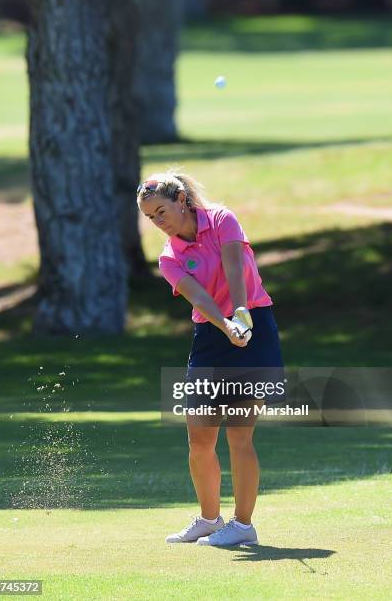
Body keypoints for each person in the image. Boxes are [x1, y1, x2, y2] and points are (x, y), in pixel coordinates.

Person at [136, 169, 284, 546]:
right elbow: (199, 298)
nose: (158, 222)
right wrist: (225, 324)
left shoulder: (222, 219)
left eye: (161, 212)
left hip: (254, 327)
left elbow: (235, 268)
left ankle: (243, 526)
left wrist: (241, 313)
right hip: (210, 337)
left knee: (239, 435)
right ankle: (208, 519)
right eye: (150, 217)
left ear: (181, 200)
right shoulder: (169, 258)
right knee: (199, 439)